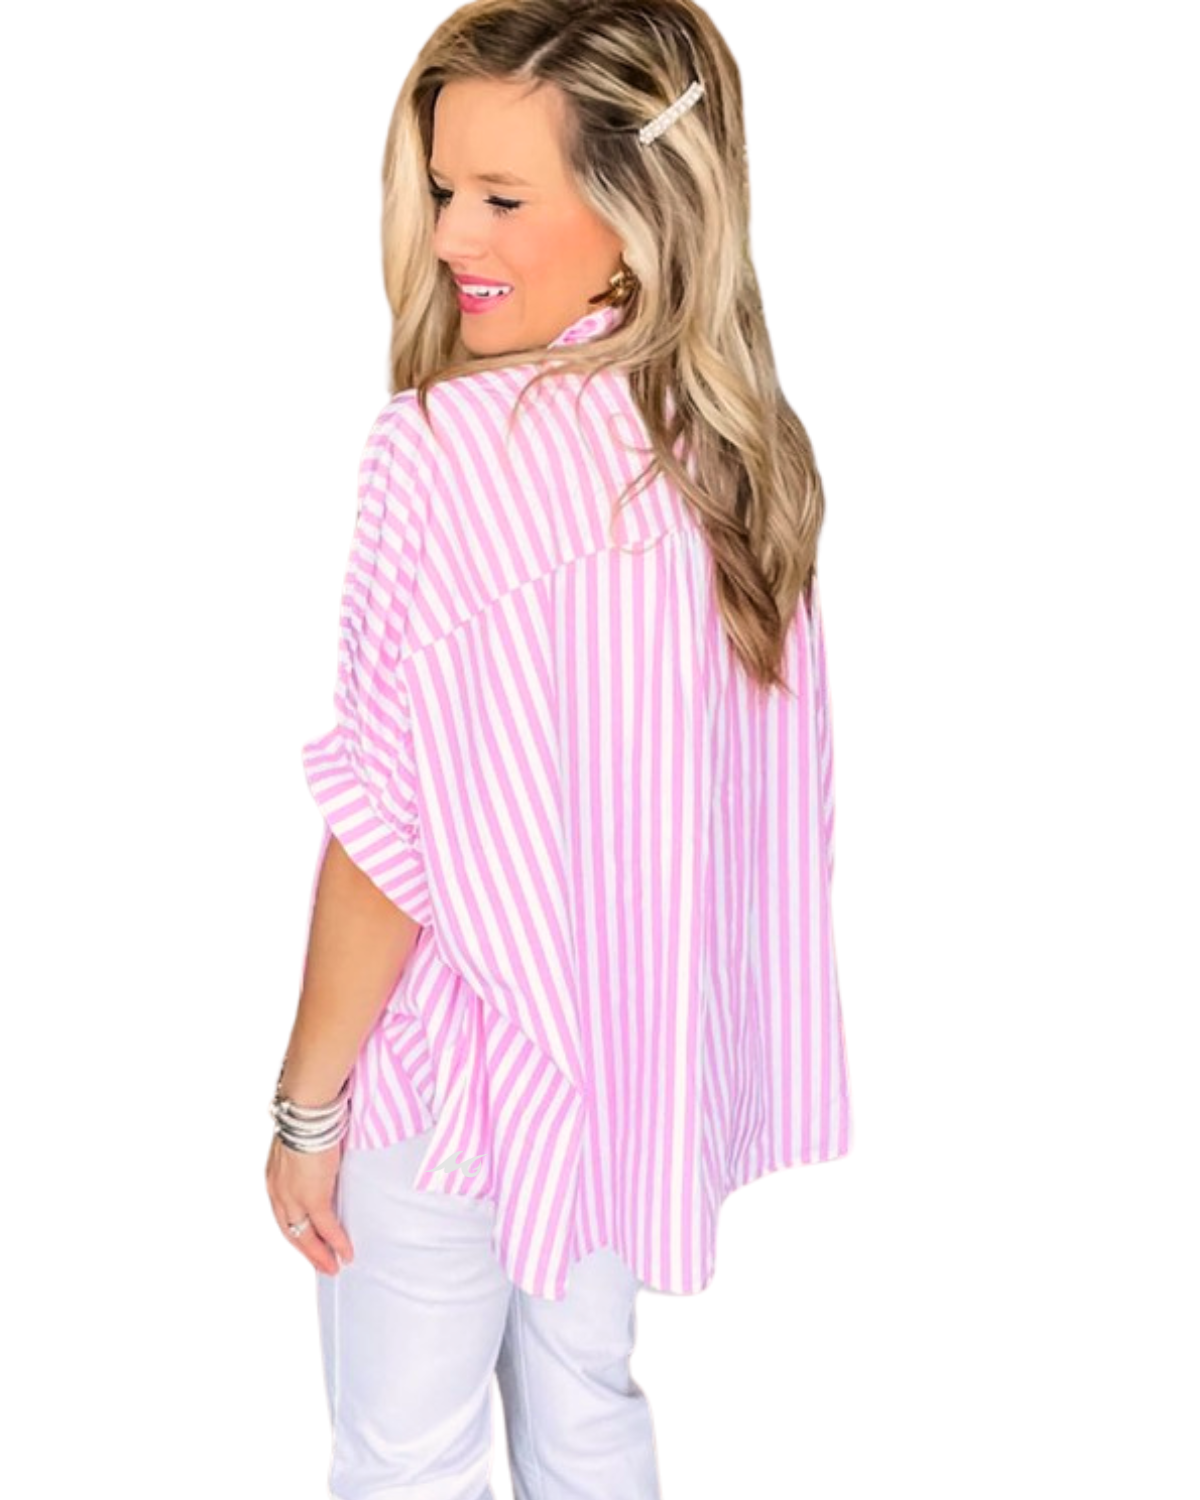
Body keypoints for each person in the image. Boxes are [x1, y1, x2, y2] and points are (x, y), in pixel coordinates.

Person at [264, 1, 854, 1496]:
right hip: (614, 1076)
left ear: (639, 216)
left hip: (451, 1087)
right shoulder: (733, 465)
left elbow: (387, 839)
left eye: (503, 198)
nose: (453, 235)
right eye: (442, 185)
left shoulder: (442, 454)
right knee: (588, 1406)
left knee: (403, 1454)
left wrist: (307, 1106)